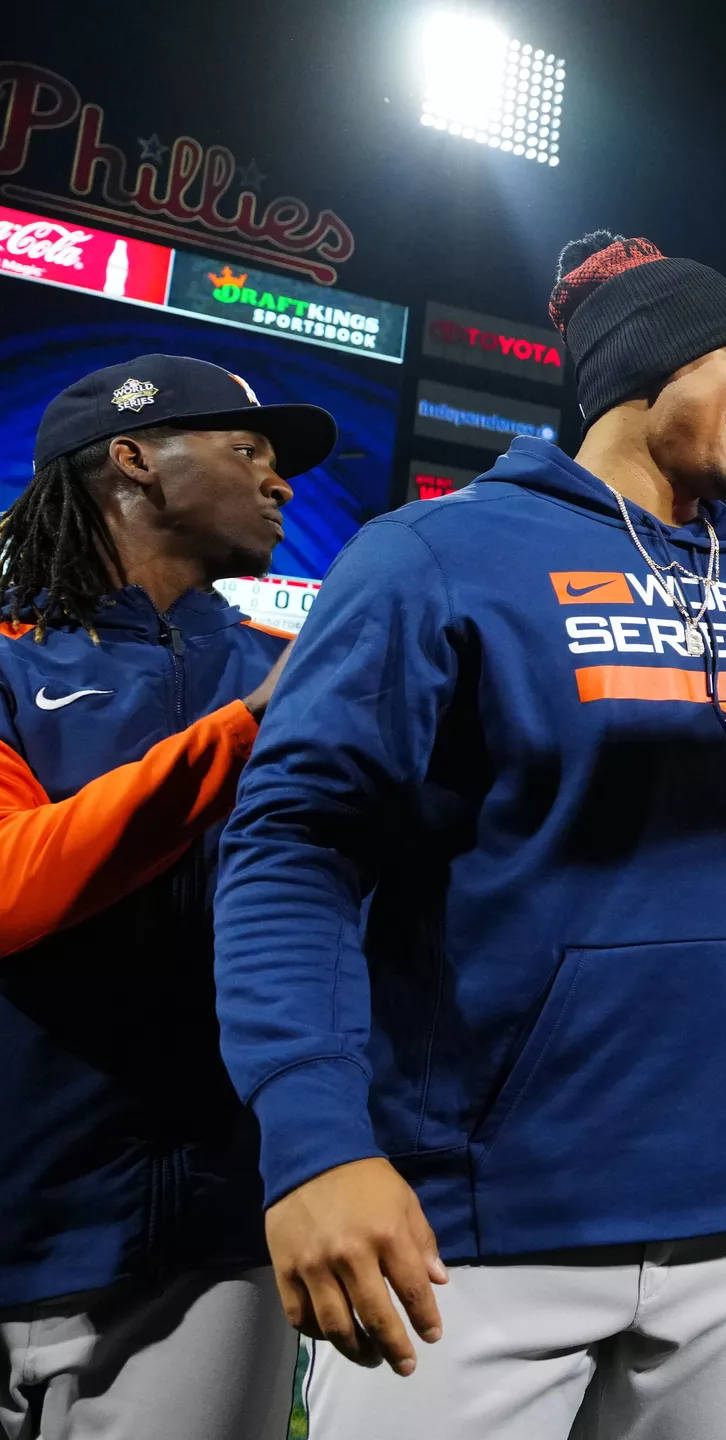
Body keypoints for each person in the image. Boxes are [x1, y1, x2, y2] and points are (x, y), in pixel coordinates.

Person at [213, 230, 726, 1440]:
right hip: (476, 1232)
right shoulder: (431, 557)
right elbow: (292, 849)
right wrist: (313, 1140)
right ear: (649, 362)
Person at [0, 356, 332, 1440]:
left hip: (210, 1243)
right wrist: (243, 739)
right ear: (134, 460)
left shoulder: (293, 671)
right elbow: (9, 888)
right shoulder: (5, 659)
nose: (281, 484)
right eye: (249, 452)